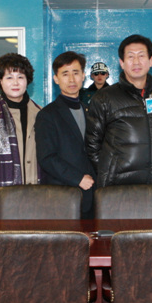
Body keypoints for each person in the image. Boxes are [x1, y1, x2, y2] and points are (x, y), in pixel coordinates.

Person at [85, 34, 152, 187]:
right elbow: (92, 145)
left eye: (141, 56)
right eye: (130, 56)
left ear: (151, 61)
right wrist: (109, 172)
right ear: (122, 63)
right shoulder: (104, 98)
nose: (136, 62)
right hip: (118, 188)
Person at [0, 53, 42, 216]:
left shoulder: (40, 113)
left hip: (35, 195)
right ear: (0, 81)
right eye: (9, 77)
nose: (15, 83)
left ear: (27, 80)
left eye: (20, 77)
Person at [36, 52, 97, 218]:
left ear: (83, 76)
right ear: (56, 79)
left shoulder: (90, 111)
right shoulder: (47, 115)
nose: (71, 79)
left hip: (92, 196)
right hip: (62, 196)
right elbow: (46, 157)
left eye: (76, 73)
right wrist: (78, 178)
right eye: (65, 74)